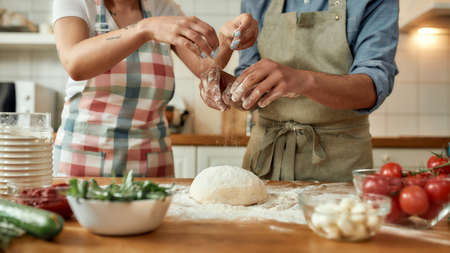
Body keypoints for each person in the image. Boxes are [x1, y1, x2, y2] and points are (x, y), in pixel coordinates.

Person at [51, 0, 257, 177]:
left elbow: (206, 67)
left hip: (152, 163)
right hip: (83, 162)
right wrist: (145, 29)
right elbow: (74, 62)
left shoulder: (161, 7)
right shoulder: (79, 3)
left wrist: (228, 40)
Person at [201, 0, 399, 182]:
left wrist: (303, 81)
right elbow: (248, 92)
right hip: (265, 160)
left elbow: (371, 89)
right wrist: (220, 74)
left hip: (339, 163)